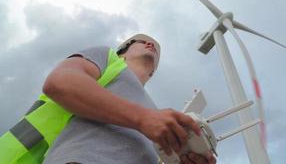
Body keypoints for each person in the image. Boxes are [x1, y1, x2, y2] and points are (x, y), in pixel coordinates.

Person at [42, 33, 216, 164]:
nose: (150, 43)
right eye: (140, 41)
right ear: (121, 53)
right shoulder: (106, 57)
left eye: (154, 45)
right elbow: (60, 82)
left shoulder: (157, 114)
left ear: (153, 72)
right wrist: (142, 118)